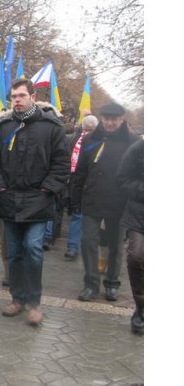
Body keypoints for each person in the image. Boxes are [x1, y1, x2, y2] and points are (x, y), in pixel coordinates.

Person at [0, 79, 70, 326]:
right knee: (14, 253)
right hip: (9, 198)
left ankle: (34, 303)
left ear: (33, 96)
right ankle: (17, 299)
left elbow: (61, 163)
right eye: (14, 96)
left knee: (33, 249)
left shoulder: (51, 127)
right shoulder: (3, 127)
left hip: (38, 199)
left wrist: (48, 188)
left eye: (22, 95)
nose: (18, 100)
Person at [72, 103, 139, 302]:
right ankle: (91, 284)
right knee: (88, 242)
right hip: (92, 198)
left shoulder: (133, 141)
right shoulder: (90, 139)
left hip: (119, 201)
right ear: (101, 119)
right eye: (106, 119)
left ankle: (112, 283)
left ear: (121, 119)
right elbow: (80, 170)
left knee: (115, 245)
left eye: (114, 119)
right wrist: (74, 197)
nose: (110, 123)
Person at [116, 139, 144, 334]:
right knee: (136, 256)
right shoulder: (139, 148)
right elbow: (122, 179)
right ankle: (141, 306)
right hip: (140, 214)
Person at [62, 115, 98, 260]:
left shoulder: (72, 139)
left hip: (75, 182)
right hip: (87, 184)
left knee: (77, 215)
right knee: (83, 216)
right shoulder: (99, 141)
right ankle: (81, 248)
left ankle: (73, 247)